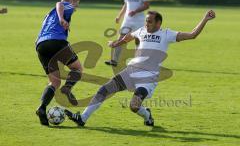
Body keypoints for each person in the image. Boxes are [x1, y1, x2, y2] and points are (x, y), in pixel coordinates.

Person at [65, 10, 216, 127]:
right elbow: (128, 37)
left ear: (158, 23)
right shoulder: (141, 30)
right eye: (146, 21)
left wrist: (205, 19)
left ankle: (147, 116)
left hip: (148, 77)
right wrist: (115, 44)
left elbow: (192, 34)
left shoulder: (167, 34)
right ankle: (82, 118)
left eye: (149, 22)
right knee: (104, 89)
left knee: (134, 106)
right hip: (132, 70)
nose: (146, 24)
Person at [35, 0, 83, 126]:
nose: (76, 8)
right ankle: (67, 89)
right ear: (72, 1)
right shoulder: (66, 5)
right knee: (77, 69)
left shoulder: (48, 15)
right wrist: (62, 19)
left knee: (54, 83)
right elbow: (60, 4)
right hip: (57, 42)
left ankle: (42, 108)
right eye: (77, 4)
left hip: (41, 46)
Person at [105, 0, 149, 67]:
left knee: (138, 40)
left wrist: (135, 11)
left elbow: (146, 5)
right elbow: (125, 5)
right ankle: (114, 60)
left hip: (139, 20)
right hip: (127, 20)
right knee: (120, 38)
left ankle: (138, 61)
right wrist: (119, 16)